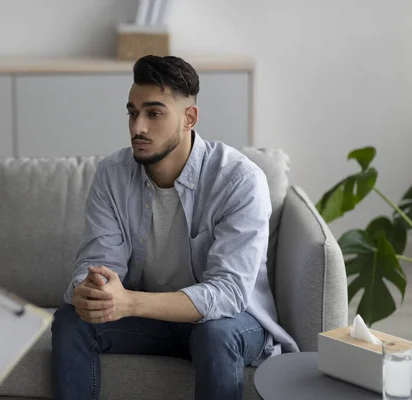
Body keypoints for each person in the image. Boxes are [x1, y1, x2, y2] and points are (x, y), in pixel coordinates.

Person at [50, 55, 299, 400]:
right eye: (132, 113)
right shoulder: (112, 174)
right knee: (71, 319)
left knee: (215, 335)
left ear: (189, 118)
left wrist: (130, 303)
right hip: (153, 323)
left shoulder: (239, 180)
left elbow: (228, 293)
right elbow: (99, 261)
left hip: (232, 321)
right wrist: (88, 290)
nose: (138, 127)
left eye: (154, 113)